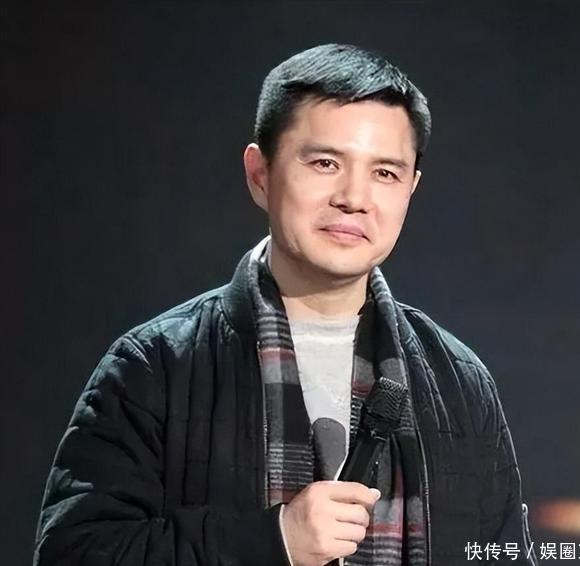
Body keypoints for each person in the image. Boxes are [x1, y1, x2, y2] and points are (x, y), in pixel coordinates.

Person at [33, 43, 537, 566]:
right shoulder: (155, 365)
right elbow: (73, 553)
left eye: (385, 173)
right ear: (260, 173)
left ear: (411, 188)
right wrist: (274, 539)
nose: (353, 197)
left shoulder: (458, 381)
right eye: (325, 163)